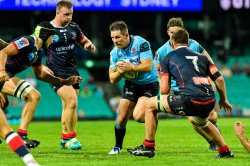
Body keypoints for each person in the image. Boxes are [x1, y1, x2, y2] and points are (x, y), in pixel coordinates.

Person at [128, 28, 234, 158]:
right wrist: (223, 100)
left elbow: (165, 90)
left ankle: (148, 147)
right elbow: (219, 79)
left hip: (190, 99)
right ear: (188, 43)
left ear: (172, 43)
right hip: (209, 100)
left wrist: (164, 88)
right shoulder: (202, 58)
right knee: (202, 122)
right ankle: (225, 151)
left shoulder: (168, 58)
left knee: (150, 104)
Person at [0, 21, 83, 149]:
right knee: (33, 96)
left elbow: (41, 75)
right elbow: (4, 52)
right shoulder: (27, 41)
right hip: (3, 74)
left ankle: (20, 135)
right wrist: (2, 70)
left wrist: (64, 81)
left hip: (7, 76)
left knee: (4, 103)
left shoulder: (37, 53)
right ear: (45, 36)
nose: (52, 41)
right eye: (52, 37)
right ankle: (21, 135)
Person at [154, 17, 219, 150]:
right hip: (178, 89)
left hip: (197, 85)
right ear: (167, 32)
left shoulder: (194, 44)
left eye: (176, 32)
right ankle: (212, 141)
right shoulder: (161, 52)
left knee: (212, 116)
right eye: (171, 32)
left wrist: (210, 79)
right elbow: (155, 70)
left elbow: (208, 61)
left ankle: (215, 133)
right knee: (192, 119)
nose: (174, 35)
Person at [44, 0, 95, 150]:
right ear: (58, 13)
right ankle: (71, 138)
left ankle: (63, 138)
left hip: (72, 71)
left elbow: (83, 40)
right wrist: (40, 66)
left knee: (68, 106)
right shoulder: (46, 29)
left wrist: (88, 45)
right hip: (55, 73)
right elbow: (36, 48)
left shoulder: (73, 27)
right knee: (72, 102)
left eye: (71, 14)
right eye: (66, 14)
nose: (69, 17)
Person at [108, 20, 159, 154]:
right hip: (132, 84)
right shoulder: (114, 53)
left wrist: (131, 67)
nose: (115, 41)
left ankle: (152, 114)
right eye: (112, 37)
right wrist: (121, 71)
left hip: (149, 83)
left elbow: (148, 66)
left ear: (126, 35)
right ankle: (117, 147)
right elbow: (112, 79)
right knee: (121, 116)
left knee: (139, 117)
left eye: (118, 37)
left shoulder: (141, 43)